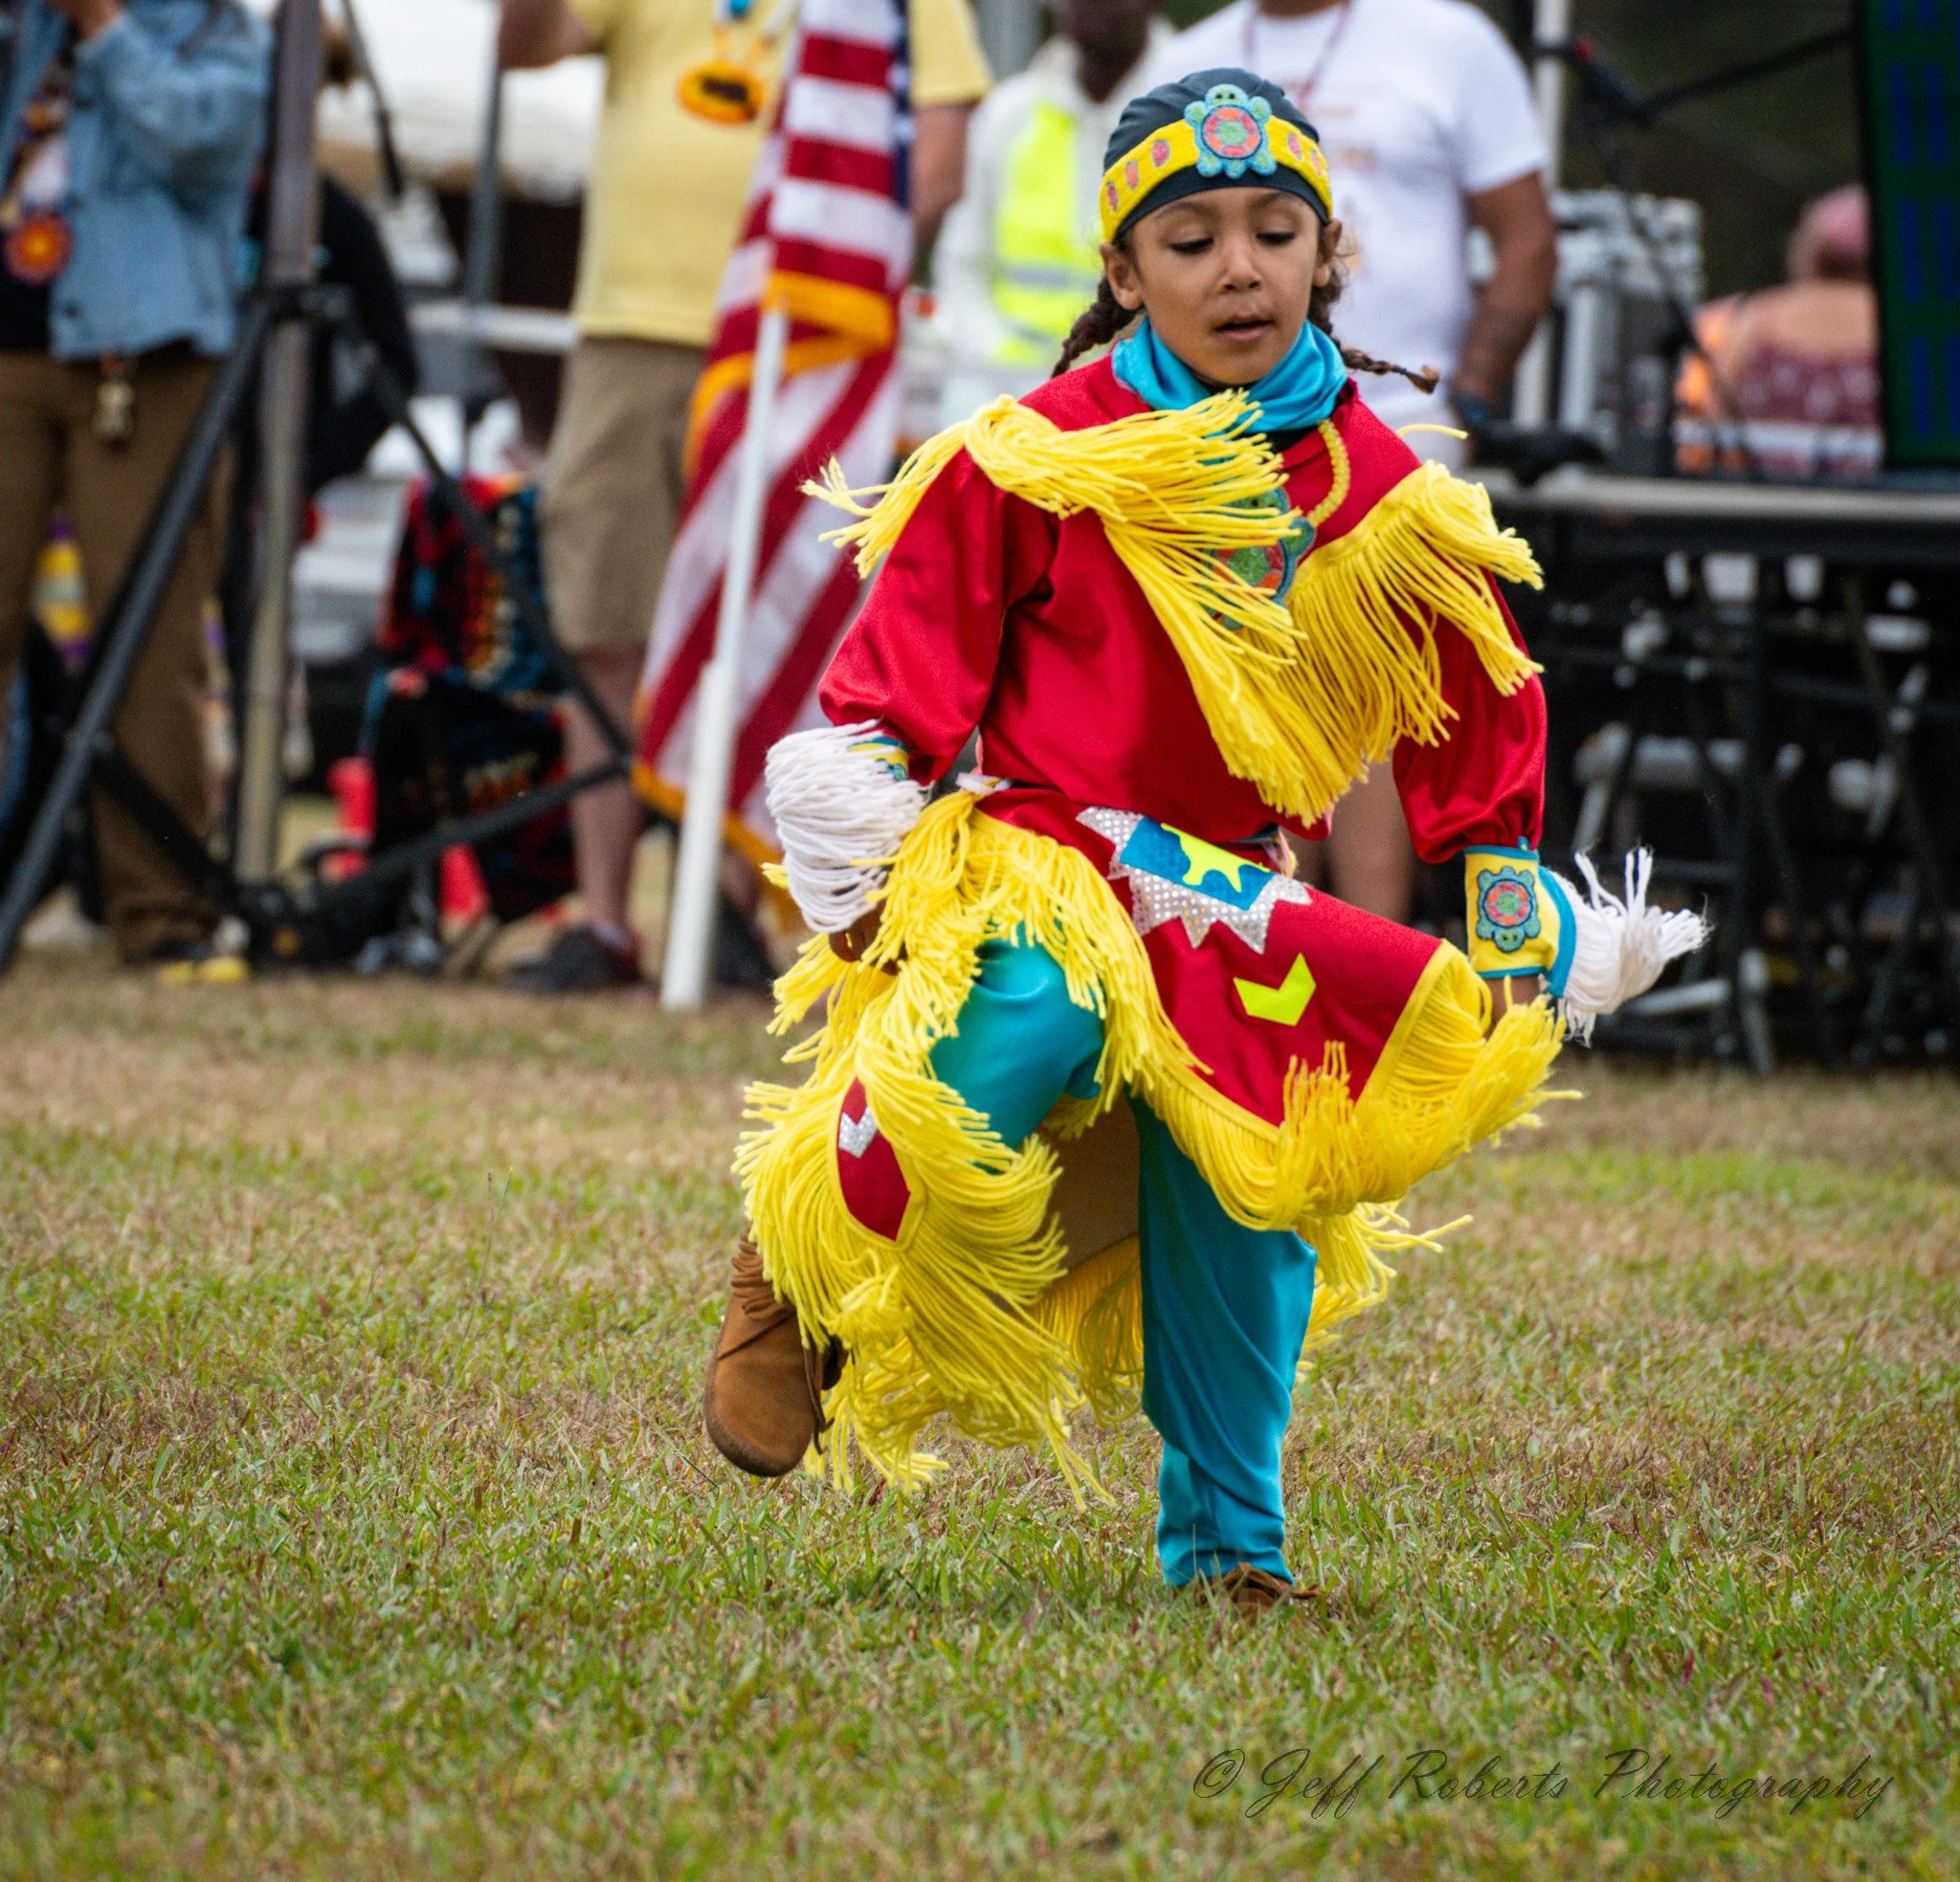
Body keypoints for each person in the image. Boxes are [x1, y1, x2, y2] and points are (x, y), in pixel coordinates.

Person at [698, 72, 1701, 1616]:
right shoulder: (1031, 455)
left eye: (1270, 230)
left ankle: (1232, 1547)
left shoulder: (1375, 486)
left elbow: (1471, 687)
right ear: (1123, 275)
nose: (1235, 267)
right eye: (1188, 239)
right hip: (1041, 856)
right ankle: (799, 1263)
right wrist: (860, 864)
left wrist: (1498, 884)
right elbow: (886, 697)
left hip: (1232, 890)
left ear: (1322, 253)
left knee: (1250, 1187)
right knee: (998, 1047)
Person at [496, 0, 991, 993]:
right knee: (605, 616)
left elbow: (934, 160)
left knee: (773, 623)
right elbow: (526, 47)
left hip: (798, 344)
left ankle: (723, 903)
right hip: (635, 326)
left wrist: (826, 263)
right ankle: (605, 921)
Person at [1149, 0, 1557, 924]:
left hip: (1399, 437)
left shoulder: (1449, 40)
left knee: (1376, 702)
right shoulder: (1191, 56)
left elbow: (1528, 239)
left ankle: (1363, 960)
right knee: (1229, 697)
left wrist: (1472, 398)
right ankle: (1237, 962)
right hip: (1216, 440)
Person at [0, 0, 268, 963]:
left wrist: (106, 30)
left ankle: (160, 915)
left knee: (147, 635)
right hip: (14, 351)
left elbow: (201, 143)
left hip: (142, 357)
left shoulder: (219, 31)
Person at [933, 0, 1169, 423]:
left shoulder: (1187, 121)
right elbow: (961, 265)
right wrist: (1011, 382)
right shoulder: (1008, 113)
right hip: (1004, 394)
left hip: (1141, 408)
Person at [1676, 186, 1880, 482]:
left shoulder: (1755, 317)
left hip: (1768, 504)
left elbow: (1709, 418)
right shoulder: (1913, 332)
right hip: (1881, 508)